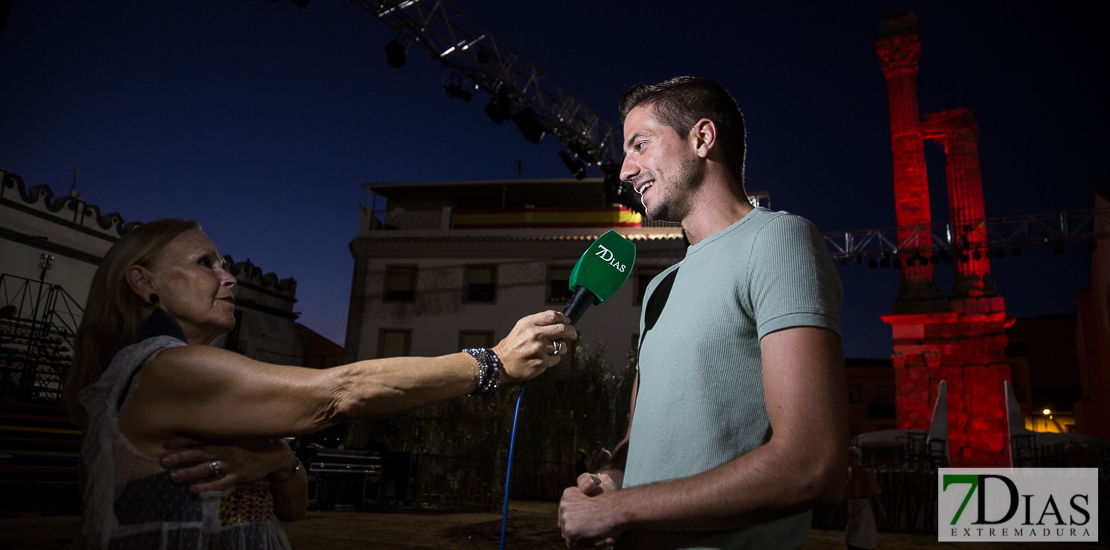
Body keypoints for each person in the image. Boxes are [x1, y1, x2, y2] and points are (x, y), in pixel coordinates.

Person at [62, 219, 576, 549]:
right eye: (204, 264)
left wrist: (279, 462)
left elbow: (294, 509)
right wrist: (493, 363)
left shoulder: (215, 384)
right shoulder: (161, 369)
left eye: (222, 263)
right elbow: (339, 392)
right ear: (143, 281)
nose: (228, 277)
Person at [557, 76, 848, 549]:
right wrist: (612, 479)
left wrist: (620, 509)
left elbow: (813, 466)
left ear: (702, 138)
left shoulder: (778, 240)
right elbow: (641, 441)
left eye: (639, 144)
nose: (626, 169)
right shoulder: (657, 289)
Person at [844, 447, 885, 550]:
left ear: (858, 458)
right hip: (853, 506)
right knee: (854, 534)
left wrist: (881, 509)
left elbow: (874, 491)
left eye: (853, 456)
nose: (850, 458)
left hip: (862, 507)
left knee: (860, 533)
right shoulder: (847, 472)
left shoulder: (864, 472)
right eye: (849, 455)